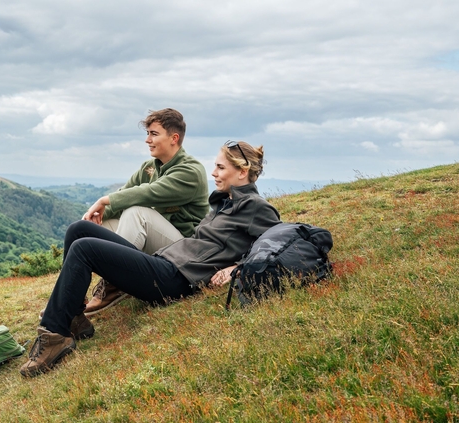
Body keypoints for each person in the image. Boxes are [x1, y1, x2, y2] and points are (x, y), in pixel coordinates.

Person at [20, 141, 281, 377]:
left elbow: (276, 245)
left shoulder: (256, 208)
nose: (213, 172)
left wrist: (237, 268)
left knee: (84, 248)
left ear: (242, 172)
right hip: (167, 261)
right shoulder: (226, 202)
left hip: (175, 279)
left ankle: (55, 337)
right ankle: (74, 318)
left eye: (220, 167)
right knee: (78, 230)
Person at [79, 108, 209, 316]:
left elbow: (147, 193)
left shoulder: (190, 171)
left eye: (154, 134)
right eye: (147, 134)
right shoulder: (149, 167)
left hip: (182, 248)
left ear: (174, 138)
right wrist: (95, 215)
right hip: (155, 243)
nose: (147, 140)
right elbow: (125, 194)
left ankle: (115, 283)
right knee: (91, 229)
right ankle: (75, 298)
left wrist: (104, 200)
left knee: (136, 212)